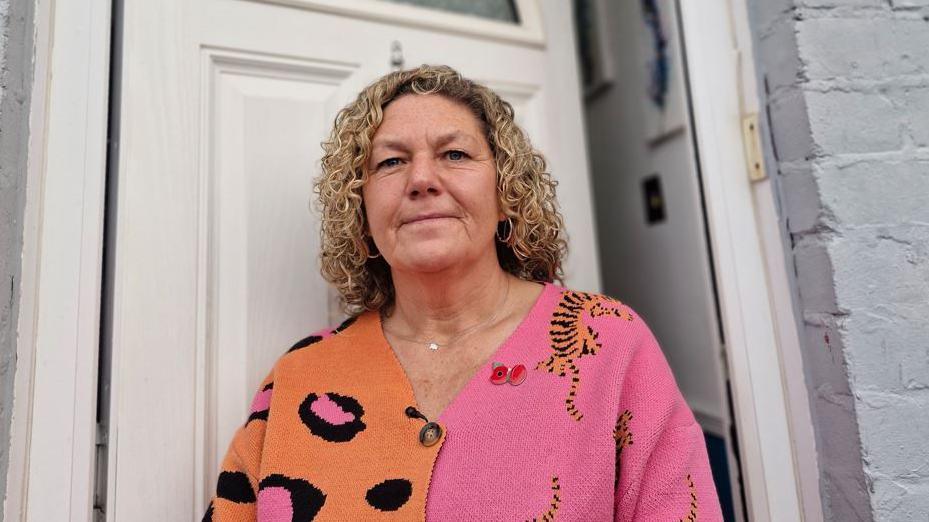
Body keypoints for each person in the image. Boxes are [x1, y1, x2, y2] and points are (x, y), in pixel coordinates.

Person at [202, 64, 722, 521]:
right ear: (361, 216)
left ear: (505, 196)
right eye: (390, 162)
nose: (422, 179)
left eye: (454, 154)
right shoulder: (301, 376)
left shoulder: (605, 344)